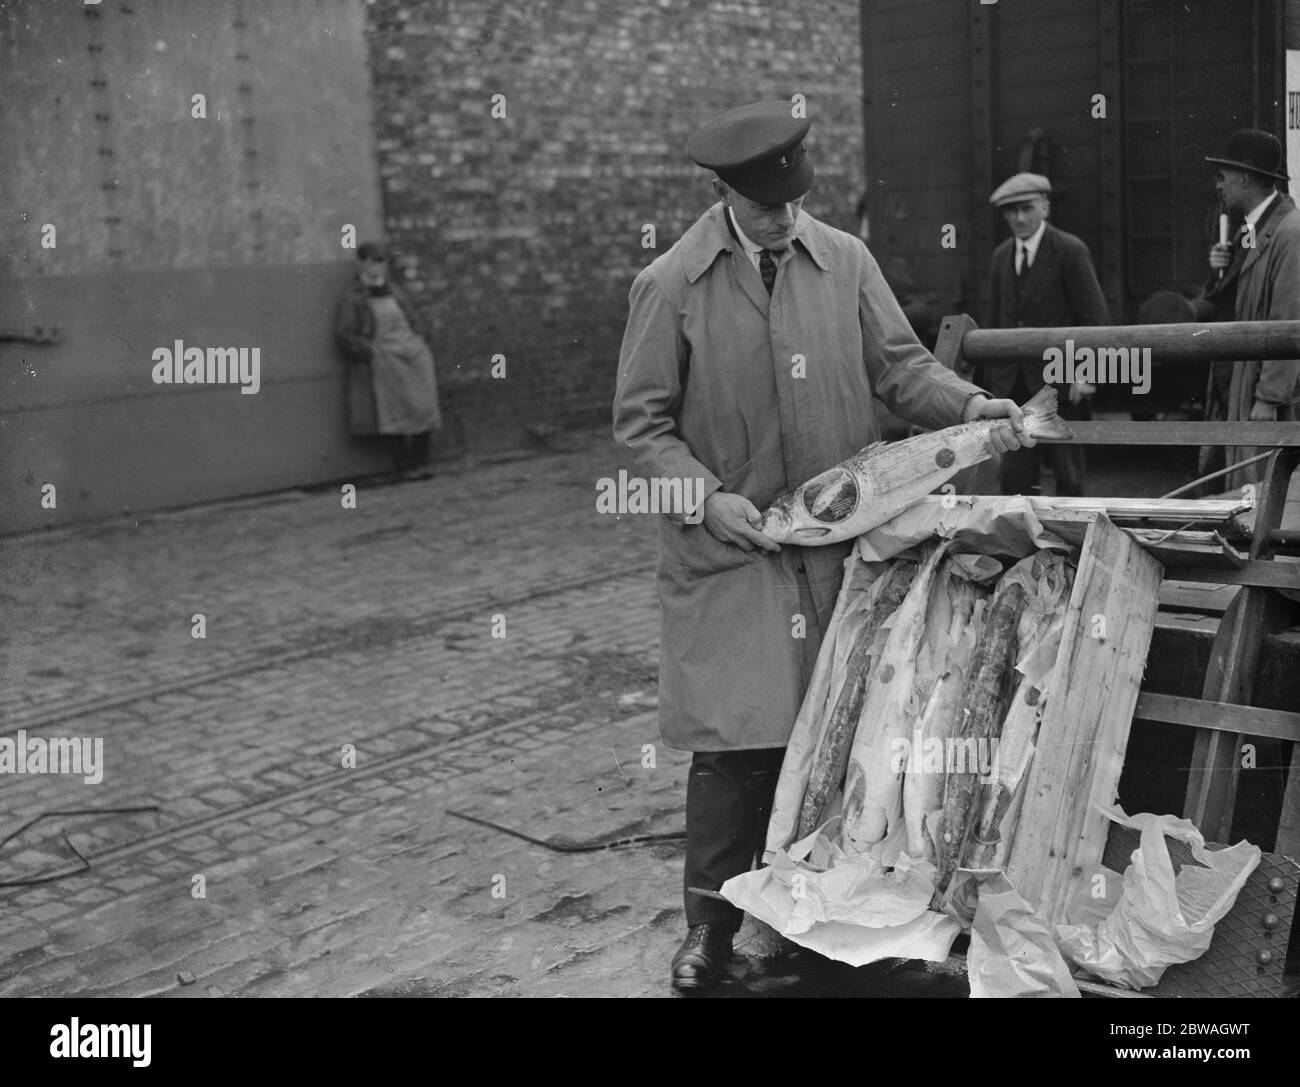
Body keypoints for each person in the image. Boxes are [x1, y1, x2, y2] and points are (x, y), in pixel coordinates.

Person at [611, 101, 1029, 991]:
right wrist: (708, 498)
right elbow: (641, 429)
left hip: (840, 552)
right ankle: (708, 932)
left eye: (795, 199)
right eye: (766, 206)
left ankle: (811, 923)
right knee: (735, 749)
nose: (785, 217)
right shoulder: (672, 283)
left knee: (844, 736)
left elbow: (900, 367)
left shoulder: (843, 259)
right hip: (733, 555)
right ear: (724, 193)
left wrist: (969, 407)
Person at [981, 173, 1109, 497]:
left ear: (1045, 207)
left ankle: (1073, 545)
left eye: (1027, 208)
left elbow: (1095, 319)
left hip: (1060, 387)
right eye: (1011, 211)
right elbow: (994, 323)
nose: (1019, 218)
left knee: (1069, 479)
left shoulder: (1069, 250)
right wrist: (993, 389)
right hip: (1014, 392)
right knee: (1014, 483)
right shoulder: (1000, 258)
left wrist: (1085, 374)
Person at [1200, 129, 1300, 491]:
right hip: (1236, 383)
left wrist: (1269, 396)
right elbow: (1235, 303)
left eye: (1223, 177)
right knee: (1236, 485)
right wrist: (1218, 274)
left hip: (1258, 391)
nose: (1219, 186)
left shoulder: (1289, 232)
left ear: (1244, 177)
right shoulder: (1253, 227)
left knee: (1259, 491)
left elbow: (1288, 318)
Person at [335, 241, 441, 480]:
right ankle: (404, 467)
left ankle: (421, 462)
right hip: (385, 360)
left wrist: (420, 341)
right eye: (372, 261)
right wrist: (369, 352)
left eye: (381, 262)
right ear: (360, 263)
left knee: (424, 406)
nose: (377, 267)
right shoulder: (352, 297)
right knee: (392, 412)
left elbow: (414, 318)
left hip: (413, 357)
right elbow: (345, 335)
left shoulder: (395, 290)